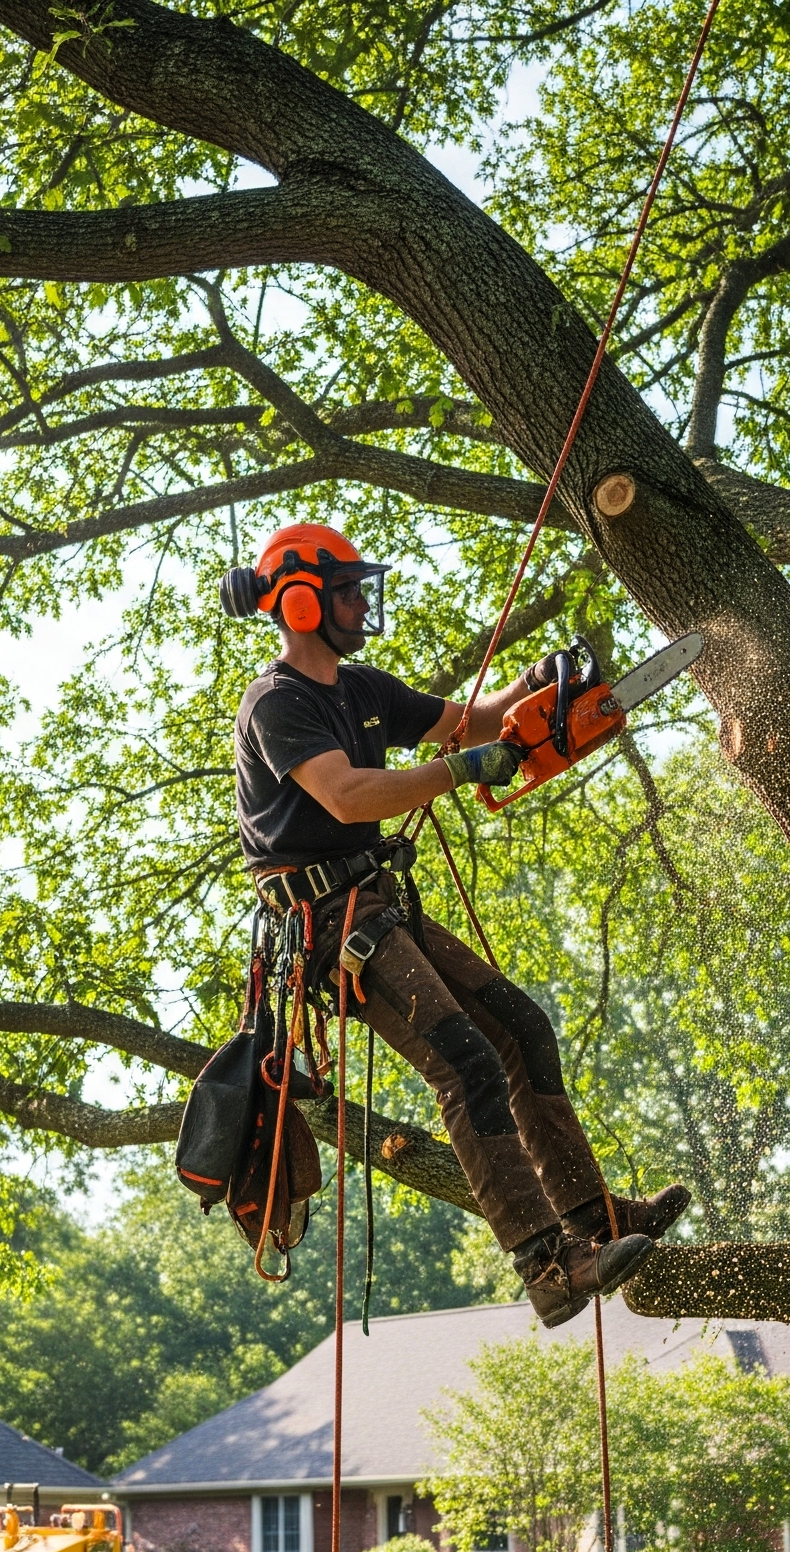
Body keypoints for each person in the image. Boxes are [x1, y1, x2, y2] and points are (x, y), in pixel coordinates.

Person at [222, 521, 689, 1327]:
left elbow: (472, 720)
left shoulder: (362, 691)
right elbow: (348, 797)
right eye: (348, 591)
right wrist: (453, 773)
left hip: (376, 903)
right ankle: (548, 1266)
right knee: (464, 1060)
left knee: (520, 1027)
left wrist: (535, 683)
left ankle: (594, 1221)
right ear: (301, 603)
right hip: (325, 925)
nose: (363, 603)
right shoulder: (277, 704)